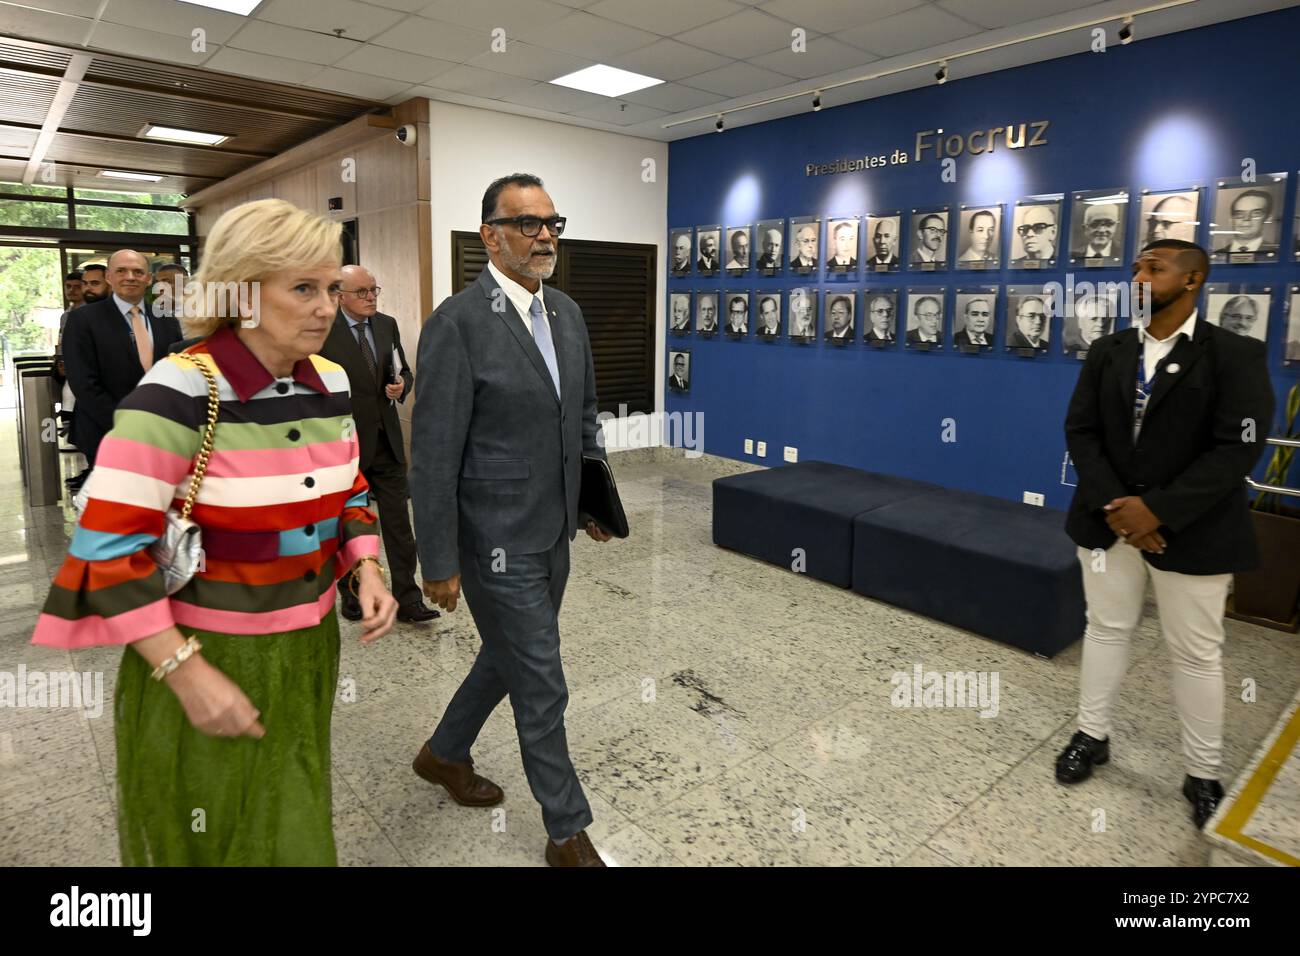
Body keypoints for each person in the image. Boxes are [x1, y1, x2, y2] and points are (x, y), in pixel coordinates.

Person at [31, 198, 398, 865]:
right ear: (244, 292)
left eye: (332, 288)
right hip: (205, 654)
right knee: (218, 837)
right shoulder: (178, 389)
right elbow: (103, 550)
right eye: (305, 289)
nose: (327, 307)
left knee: (289, 810)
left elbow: (349, 486)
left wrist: (365, 563)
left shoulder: (333, 381)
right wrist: (185, 673)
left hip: (310, 647)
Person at [410, 173, 613, 868]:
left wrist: (591, 499)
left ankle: (443, 753)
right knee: (542, 678)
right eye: (528, 223)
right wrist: (437, 558)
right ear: (488, 237)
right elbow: (433, 453)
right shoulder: (457, 323)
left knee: (508, 657)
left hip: (552, 530)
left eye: (553, 221)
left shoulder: (568, 315)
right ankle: (568, 832)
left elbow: (579, 417)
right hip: (494, 541)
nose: (546, 235)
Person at [1058, 239, 1275, 829]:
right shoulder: (1108, 350)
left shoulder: (1234, 355)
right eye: (1135, 267)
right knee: (1104, 630)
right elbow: (1081, 432)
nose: (1139, 275)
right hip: (1107, 527)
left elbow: (1239, 446)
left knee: (1197, 653)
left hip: (1194, 531)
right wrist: (1118, 508)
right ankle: (1091, 735)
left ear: (1193, 279)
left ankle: (1202, 773)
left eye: (1154, 268)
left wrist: (1158, 512)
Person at [319, 264, 438, 625]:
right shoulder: (323, 330)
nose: (371, 297)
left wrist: (403, 385)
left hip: (386, 440)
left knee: (400, 524)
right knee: (346, 524)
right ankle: (351, 591)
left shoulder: (387, 325)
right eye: (362, 292)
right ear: (339, 295)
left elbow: (403, 369)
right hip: (344, 443)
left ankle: (408, 597)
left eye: (374, 290)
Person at [61, 250, 183, 468]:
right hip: (106, 431)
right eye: (121, 271)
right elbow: (83, 383)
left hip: (161, 432)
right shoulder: (84, 320)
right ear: (109, 277)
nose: (130, 277)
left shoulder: (166, 319)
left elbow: (178, 372)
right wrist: (127, 423)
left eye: (138, 272)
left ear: (148, 279)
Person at [1216, 190, 1275, 255]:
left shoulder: (1277, 254)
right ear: (1231, 220)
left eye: (1256, 213)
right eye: (1239, 214)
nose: (1246, 218)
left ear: (1268, 219)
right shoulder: (1217, 256)